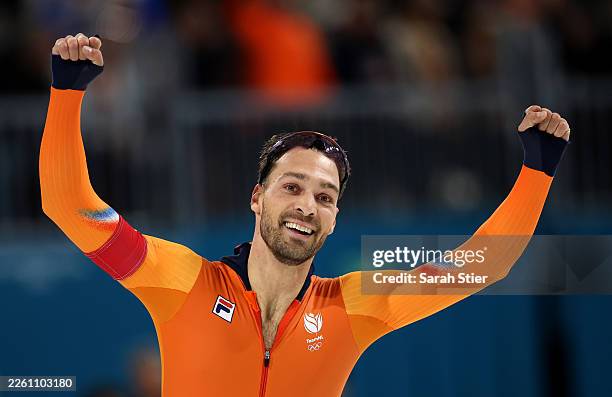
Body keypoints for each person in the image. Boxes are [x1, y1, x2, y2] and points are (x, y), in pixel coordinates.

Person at [40, 34, 571, 397]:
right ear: (257, 198)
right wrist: (66, 94)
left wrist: (537, 172)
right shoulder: (182, 281)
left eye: (325, 196)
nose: (306, 206)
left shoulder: (355, 306)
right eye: (292, 186)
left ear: (336, 217)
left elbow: (482, 265)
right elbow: (69, 207)